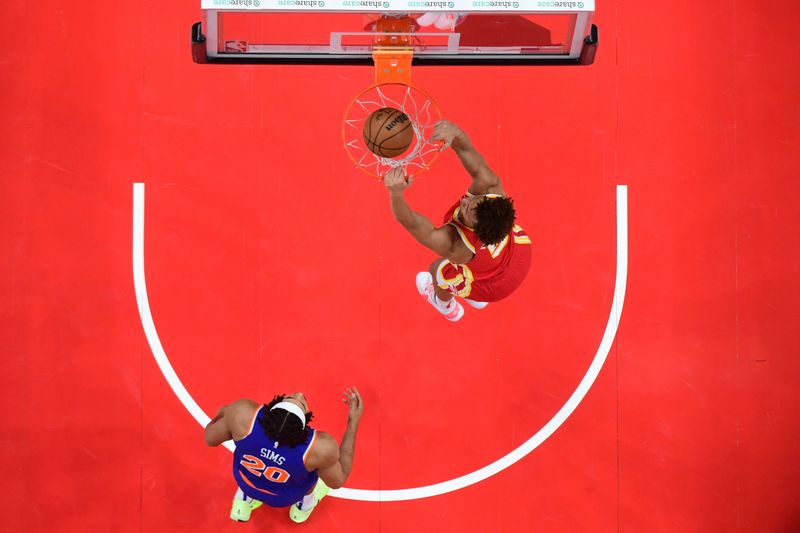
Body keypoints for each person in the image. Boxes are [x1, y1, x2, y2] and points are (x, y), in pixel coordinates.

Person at [384, 119, 532, 322]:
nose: (465, 201)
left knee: (438, 270)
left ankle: (445, 305)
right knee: (479, 262)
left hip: (498, 287)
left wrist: (396, 192)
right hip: (517, 256)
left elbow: (408, 220)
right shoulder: (491, 190)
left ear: (475, 230)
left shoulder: (455, 245)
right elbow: (470, 155)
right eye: (474, 200)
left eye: (467, 210)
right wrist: (457, 135)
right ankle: (479, 280)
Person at [204, 388, 364, 523]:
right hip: (284, 497)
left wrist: (226, 412)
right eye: (302, 403)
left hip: (246, 481)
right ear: (303, 428)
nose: (300, 394)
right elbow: (338, 479)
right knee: (311, 476)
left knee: (254, 467)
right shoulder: (317, 448)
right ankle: (303, 508)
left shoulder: (242, 416)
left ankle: (244, 500)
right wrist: (353, 422)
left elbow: (209, 439)